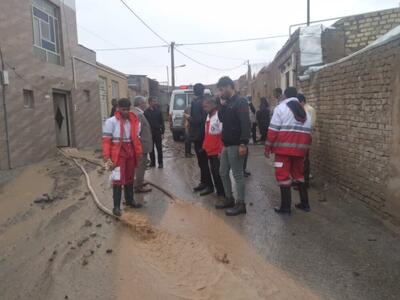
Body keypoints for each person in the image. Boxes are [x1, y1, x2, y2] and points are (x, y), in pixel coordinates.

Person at [265, 87, 312, 214]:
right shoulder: (305, 112)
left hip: (283, 151)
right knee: (299, 175)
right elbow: (308, 133)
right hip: (300, 151)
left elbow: (273, 130)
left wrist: (267, 147)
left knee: (283, 176)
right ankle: (304, 204)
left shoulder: (280, 108)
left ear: (285, 96)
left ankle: (285, 207)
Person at [103, 98, 143, 216]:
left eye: (127, 109)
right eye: (123, 109)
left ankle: (130, 201)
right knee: (117, 179)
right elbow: (106, 141)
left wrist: (139, 154)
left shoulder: (134, 121)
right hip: (118, 154)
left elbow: (136, 139)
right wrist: (107, 156)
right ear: (118, 108)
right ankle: (116, 207)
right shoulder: (111, 122)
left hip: (130, 152)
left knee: (130, 177)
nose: (125, 112)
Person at [217, 76, 250, 216]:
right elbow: (221, 119)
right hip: (226, 144)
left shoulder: (240, 102)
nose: (220, 92)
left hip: (237, 144)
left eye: (222, 89)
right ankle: (229, 198)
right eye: (219, 90)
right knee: (223, 172)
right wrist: (222, 104)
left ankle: (241, 204)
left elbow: (245, 123)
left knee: (238, 175)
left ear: (230, 86)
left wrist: (243, 143)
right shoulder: (227, 103)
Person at [189, 83, 213, 195]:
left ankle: (208, 185)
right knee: (204, 162)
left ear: (194, 91)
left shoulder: (196, 102)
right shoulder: (205, 100)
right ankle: (204, 182)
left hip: (199, 136)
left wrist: (189, 118)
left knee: (202, 162)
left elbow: (198, 119)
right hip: (205, 134)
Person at [202, 97, 225, 199]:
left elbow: (222, 135)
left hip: (216, 151)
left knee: (218, 173)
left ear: (212, 105)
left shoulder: (218, 116)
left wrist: (220, 150)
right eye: (204, 107)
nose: (204, 108)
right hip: (209, 150)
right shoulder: (208, 116)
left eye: (206, 106)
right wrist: (204, 145)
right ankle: (218, 192)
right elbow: (207, 133)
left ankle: (222, 194)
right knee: (213, 172)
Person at [132, 96, 153, 193]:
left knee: (139, 165)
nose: (146, 104)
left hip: (141, 145)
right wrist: (139, 145)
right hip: (141, 146)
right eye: (145, 102)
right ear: (140, 103)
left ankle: (138, 182)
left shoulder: (137, 113)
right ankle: (138, 186)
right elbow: (137, 132)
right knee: (141, 165)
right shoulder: (139, 115)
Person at [298, 93, 316, 188]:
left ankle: (305, 181)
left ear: (302, 101)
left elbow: (311, 125)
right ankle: (301, 180)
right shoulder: (301, 109)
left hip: (306, 136)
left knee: (304, 159)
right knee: (300, 159)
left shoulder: (309, 109)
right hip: (300, 137)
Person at [144, 97, 164, 169]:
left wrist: (162, 133)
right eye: (153, 101)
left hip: (158, 132)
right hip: (149, 133)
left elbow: (162, 122)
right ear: (149, 102)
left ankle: (160, 163)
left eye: (155, 101)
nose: (155, 102)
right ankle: (153, 163)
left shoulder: (158, 111)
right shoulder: (145, 112)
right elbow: (145, 124)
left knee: (159, 148)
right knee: (151, 148)